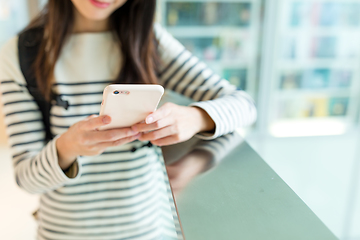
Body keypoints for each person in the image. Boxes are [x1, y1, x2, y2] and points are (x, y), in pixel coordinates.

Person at [0, 0, 257, 239]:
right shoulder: (20, 54)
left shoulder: (149, 40)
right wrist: (68, 146)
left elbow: (245, 105)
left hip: (151, 230)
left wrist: (195, 117)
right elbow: (27, 179)